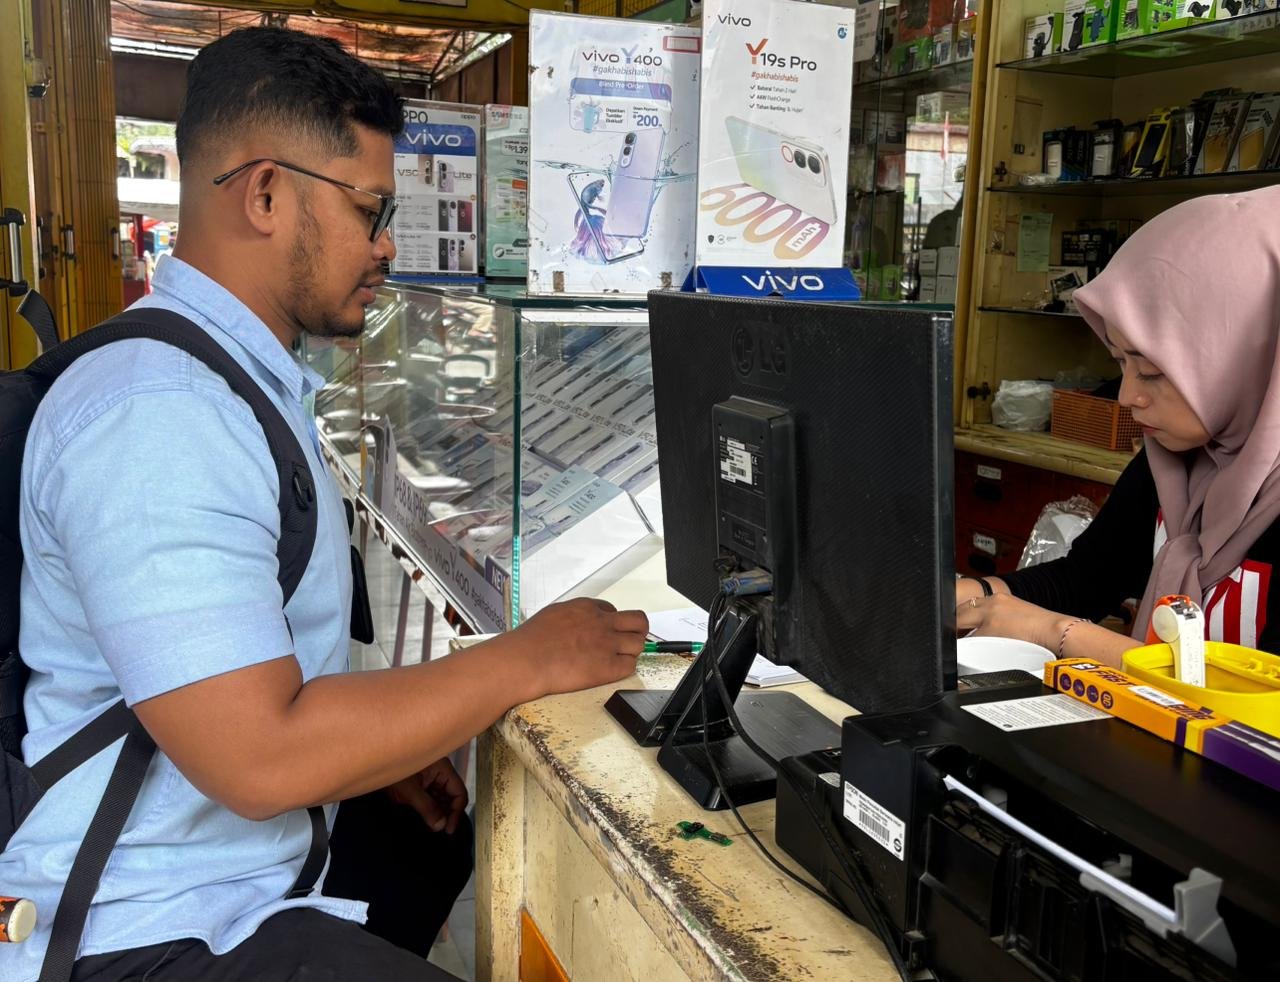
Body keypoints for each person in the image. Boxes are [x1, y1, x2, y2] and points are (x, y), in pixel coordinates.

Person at [0, 26, 648, 982]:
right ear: (265, 194)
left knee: (436, 848)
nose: (385, 246)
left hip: (238, 876)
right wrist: (529, 657)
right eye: (370, 209)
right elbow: (260, 757)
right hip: (138, 930)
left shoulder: (236, 381)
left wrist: (382, 755)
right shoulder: (159, 415)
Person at [956, 186, 1280, 666]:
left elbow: (1261, 700)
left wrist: (1056, 633)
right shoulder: (1172, 462)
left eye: (1150, 371)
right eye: (1120, 362)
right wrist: (974, 596)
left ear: (1247, 355)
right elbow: (1083, 581)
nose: (1127, 396)